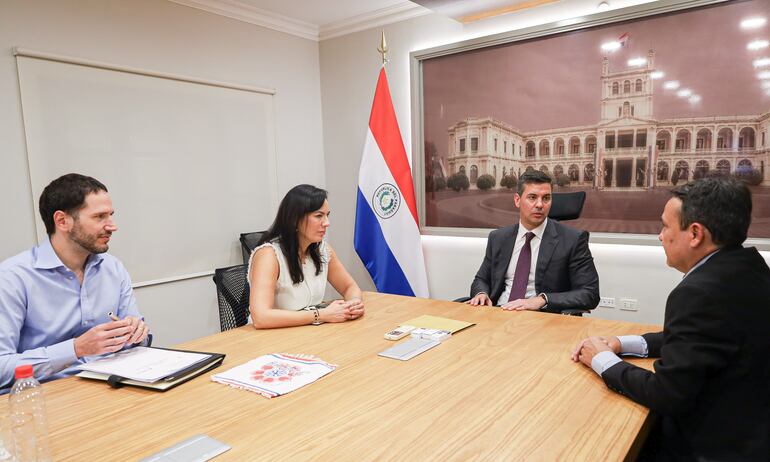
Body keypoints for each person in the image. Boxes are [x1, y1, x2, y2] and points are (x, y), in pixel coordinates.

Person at [571, 177, 770, 460]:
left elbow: (667, 394)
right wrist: (620, 342)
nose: (660, 236)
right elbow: (698, 338)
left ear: (695, 234)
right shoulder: (748, 267)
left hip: (710, 446)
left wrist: (602, 360)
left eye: (666, 226)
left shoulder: (698, 293)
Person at [0, 174, 149, 389]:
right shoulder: (12, 278)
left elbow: (137, 340)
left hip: (110, 386)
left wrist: (137, 333)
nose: (112, 226)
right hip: (47, 397)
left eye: (111, 215)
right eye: (99, 217)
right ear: (62, 221)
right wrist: (76, 348)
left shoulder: (112, 267)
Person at [467, 170, 599, 313]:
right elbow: (481, 279)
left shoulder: (573, 240)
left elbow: (590, 293)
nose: (540, 204)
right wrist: (481, 293)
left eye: (546, 198)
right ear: (517, 200)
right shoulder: (498, 238)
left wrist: (542, 300)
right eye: (532, 197)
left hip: (541, 319)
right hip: (498, 313)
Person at [248, 184, 364, 328]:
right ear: (295, 219)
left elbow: (349, 287)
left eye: (327, 215)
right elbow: (261, 317)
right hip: (271, 338)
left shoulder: (323, 250)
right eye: (318, 216)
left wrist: (353, 304)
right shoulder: (268, 255)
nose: (327, 223)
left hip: (306, 332)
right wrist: (321, 315)